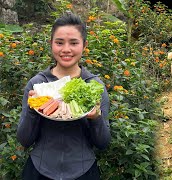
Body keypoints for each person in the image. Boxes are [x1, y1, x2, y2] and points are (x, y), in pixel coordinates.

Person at [17, 12, 111, 180]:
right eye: (59, 43)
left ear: (84, 45)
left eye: (74, 43)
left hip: (84, 172)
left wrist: (96, 118)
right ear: (51, 44)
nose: (66, 49)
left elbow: (103, 143)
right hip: (39, 171)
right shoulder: (38, 84)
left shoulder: (94, 86)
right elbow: (24, 140)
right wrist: (33, 108)